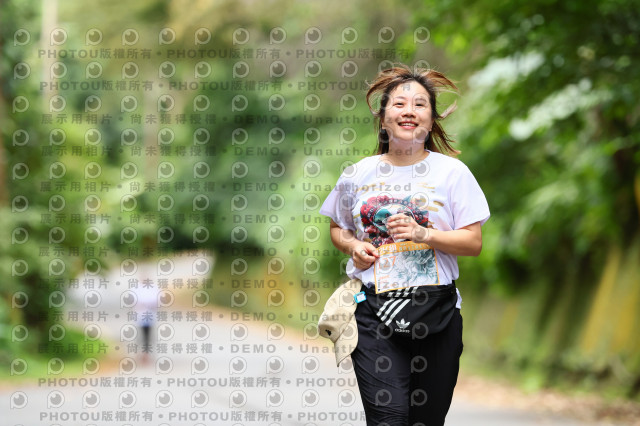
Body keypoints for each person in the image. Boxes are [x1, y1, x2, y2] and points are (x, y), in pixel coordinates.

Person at [319, 64, 490, 425]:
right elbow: (338, 228)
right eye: (399, 104)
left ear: (432, 119)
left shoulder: (453, 173)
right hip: (373, 312)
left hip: (436, 312)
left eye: (420, 104)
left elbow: (473, 242)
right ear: (383, 118)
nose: (409, 111)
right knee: (390, 416)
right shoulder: (357, 174)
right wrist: (353, 247)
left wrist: (423, 234)